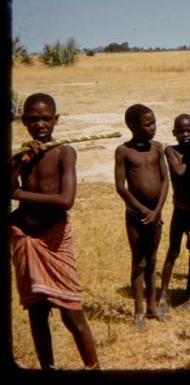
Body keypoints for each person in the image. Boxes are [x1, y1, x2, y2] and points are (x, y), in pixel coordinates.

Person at [9, 93, 100, 370]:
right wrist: (21, 163)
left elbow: (65, 200)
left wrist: (20, 194)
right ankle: (47, 368)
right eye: (34, 119)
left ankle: (94, 368)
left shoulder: (64, 152)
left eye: (46, 118)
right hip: (26, 235)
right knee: (36, 312)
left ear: (56, 120)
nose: (40, 124)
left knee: (72, 313)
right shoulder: (21, 155)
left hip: (54, 238)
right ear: (24, 121)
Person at [115, 104, 169, 328]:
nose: (153, 127)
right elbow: (121, 187)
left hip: (155, 215)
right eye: (148, 124)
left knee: (153, 259)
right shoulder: (123, 151)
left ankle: (152, 307)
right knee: (139, 262)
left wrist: (156, 211)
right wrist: (142, 210)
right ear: (132, 126)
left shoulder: (157, 148)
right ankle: (138, 312)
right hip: (136, 217)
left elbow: (165, 180)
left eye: (154, 122)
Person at [158, 114, 190, 315]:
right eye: (181, 131)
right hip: (180, 209)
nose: (185, 135)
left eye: (189, 131)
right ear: (174, 133)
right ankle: (163, 293)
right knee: (173, 251)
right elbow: (179, 171)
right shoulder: (171, 150)